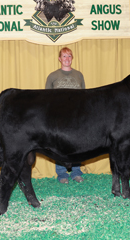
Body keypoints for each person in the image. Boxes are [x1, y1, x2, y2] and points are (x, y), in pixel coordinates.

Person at [45, 47, 85, 184]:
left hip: (76, 117)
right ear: (59, 59)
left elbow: (84, 97)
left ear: (72, 58)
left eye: (69, 56)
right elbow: (47, 99)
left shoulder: (79, 75)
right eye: (64, 56)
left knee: (77, 144)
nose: (67, 59)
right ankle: (62, 174)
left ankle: (76, 172)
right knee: (59, 145)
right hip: (59, 118)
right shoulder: (52, 76)